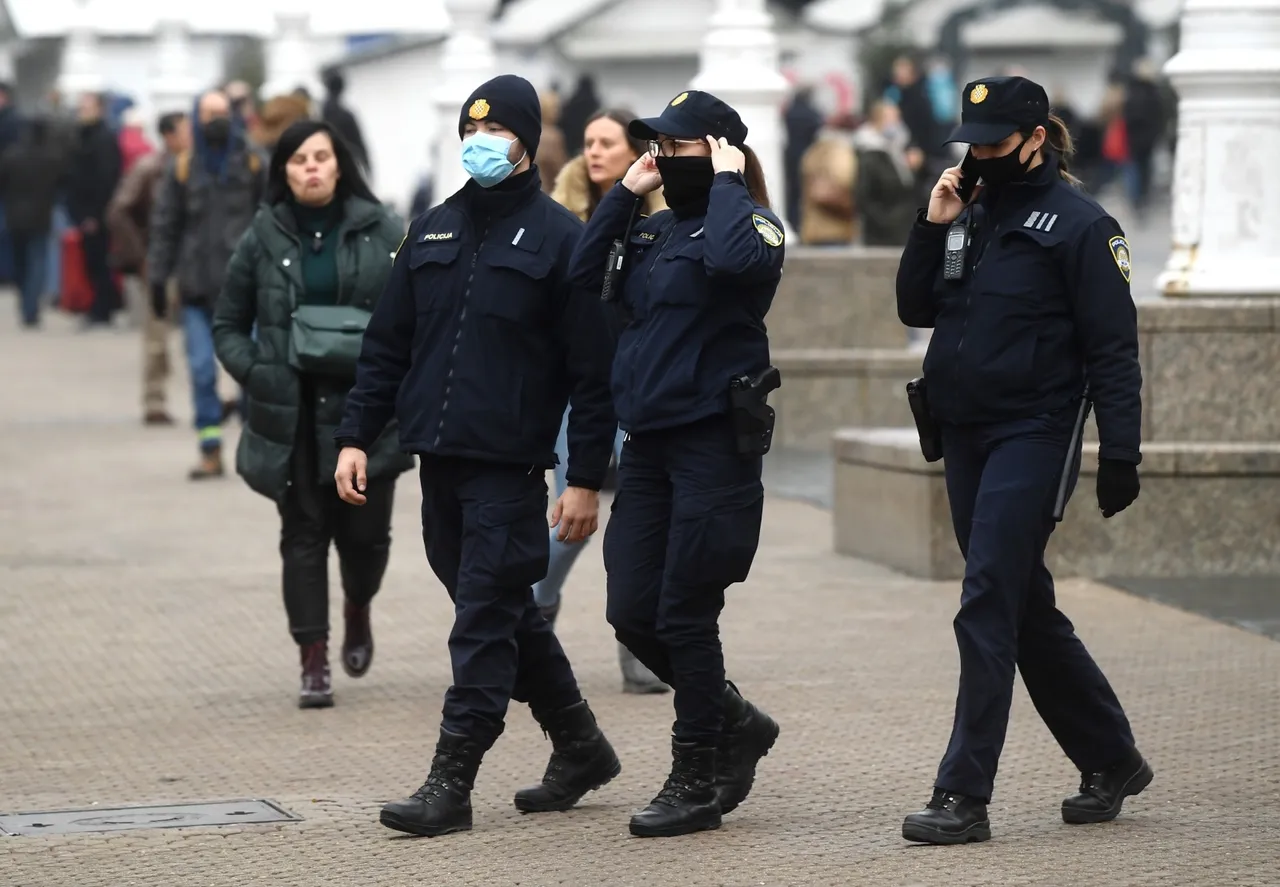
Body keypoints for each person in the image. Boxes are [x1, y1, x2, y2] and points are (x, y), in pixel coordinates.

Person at [333, 74, 620, 838]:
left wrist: (585, 477)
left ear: (526, 143)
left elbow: (595, 376)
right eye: (471, 130)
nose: (479, 143)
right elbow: (387, 346)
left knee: (482, 624)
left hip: (510, 468)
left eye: (495, 133)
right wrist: (357, 434)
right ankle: (582, 744)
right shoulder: (430, 229)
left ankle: (450, 781)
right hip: (439, 463)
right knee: (499, 611)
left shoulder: (565, 240)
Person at [894, 76, 1150, 845]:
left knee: (985, 600)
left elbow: (1114, 348)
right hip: (966, 431)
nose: (980, 155)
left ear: (1037, 137)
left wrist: (1122, 451)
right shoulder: (968, 211)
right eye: (972, 142)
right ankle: (1112, 756)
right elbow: (915, 306)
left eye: (995, 141)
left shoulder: (1083, 225)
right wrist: (931, 223)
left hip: (1034, 431)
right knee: (1018, 603)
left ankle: (962, 792)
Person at [566, 91, 783, 838]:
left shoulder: (753, 225)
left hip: (712, 444)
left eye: (675, 148)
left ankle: (694, 772)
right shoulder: (653, 229)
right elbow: (581, 274)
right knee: (631, 609)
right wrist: (625, 196)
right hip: (649, 444)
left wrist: (725, 182)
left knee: (686, 611)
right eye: (654, 146)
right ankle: (735, 718)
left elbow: (729, 260)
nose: (659, 159)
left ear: (720, 151)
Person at [212, 120, 415, 708]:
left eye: (322, 157)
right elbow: (228, 322)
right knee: (302, 537)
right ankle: (313, 659)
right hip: (294, 415)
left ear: (340, 164)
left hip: (368, 411)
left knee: (366, 540)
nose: (312, 168)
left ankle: (357, 608)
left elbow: (420, 315)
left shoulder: (383, 231)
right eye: (299, 159)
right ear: (283, 170)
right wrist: (258, 370)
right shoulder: (263, 236)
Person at [546, 107, 669, 695]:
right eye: (587, 142)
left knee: (642, 521)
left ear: (637, 153)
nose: (593, 152)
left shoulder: (664, 218)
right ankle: (534, 613)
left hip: (642, 384)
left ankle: (639, 647)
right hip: (579, 390)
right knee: (571, 515)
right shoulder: (564, 216)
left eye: (606, 143)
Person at [148, 89, 266, 480]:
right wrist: (158, 278)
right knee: (201, 370)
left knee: (252, 371)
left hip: (245, 290)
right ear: (195, 118)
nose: (215, 119)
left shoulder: (252, 163)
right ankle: (210, 449)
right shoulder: (182, 167)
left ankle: (254, 445)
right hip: (197, 292)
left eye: (221, 112)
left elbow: (271, 220)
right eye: (207, 112)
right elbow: (166, 226)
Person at [106, 111, 191, 424]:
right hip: (159, 263)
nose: (190, 136)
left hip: (194, 264)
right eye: (185, 131)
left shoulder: (196, 169)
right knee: (157, 333)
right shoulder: (150, 169)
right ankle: (154, 400)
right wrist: (141, 255)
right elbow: (118, 211)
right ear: (168, 135)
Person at [0, 116, 67, 328]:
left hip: (14, 216)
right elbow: (62, 185)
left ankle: (25, 301)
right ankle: (31, 307)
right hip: (41, 215)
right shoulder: (52, 157)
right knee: (37, 261)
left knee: (20, 261)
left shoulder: (11, 156)